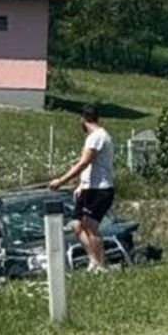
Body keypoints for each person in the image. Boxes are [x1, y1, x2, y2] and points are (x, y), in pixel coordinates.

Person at [50, 104, 115, 272]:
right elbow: (92, 167)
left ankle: (101, 265)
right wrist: (81, 184)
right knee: (76, 225)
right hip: (88, 188)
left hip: (99, 189)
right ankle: (93, 261)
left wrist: (61, 181)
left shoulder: (97, 137)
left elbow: (84, 163)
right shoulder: (95, 136)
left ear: (83, 119)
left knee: (91, 226)